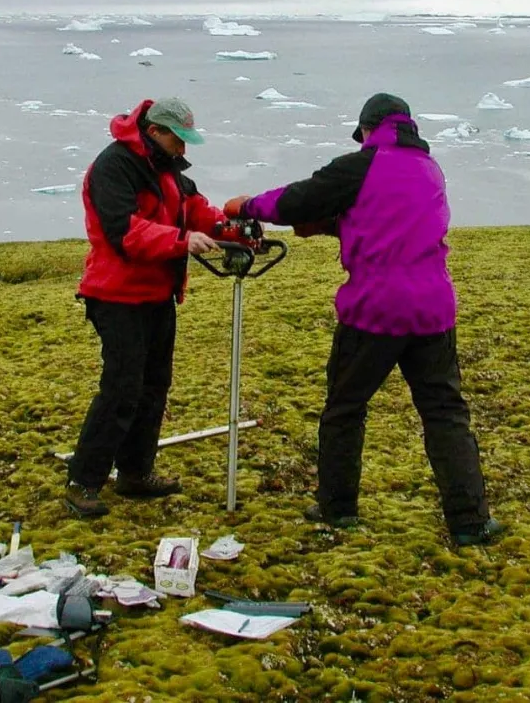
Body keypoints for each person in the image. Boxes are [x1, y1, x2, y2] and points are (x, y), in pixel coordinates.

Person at [223, 93, 504, 546]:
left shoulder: (362, 165)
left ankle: (338, 509)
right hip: (433, 310)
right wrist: (340, 225)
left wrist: (249, 206)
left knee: (345, 409)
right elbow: (392, 222)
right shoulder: (429, 169)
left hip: (375, 308)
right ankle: (470, 521)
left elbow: (299, 199)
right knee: (445, 414)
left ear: (369, 130)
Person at [65, 97, 227, 517]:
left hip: (157, 296)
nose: (184, 149)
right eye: (179, 139)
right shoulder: (113, 167)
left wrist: (237, 232)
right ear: (155, 131)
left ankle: (135, 473)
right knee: (122, 387)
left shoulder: (165, 167)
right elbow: (124, 232)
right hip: (117, 296)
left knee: (153, 387)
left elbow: (194, 209)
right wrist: (180, 241)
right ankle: (84, 480)